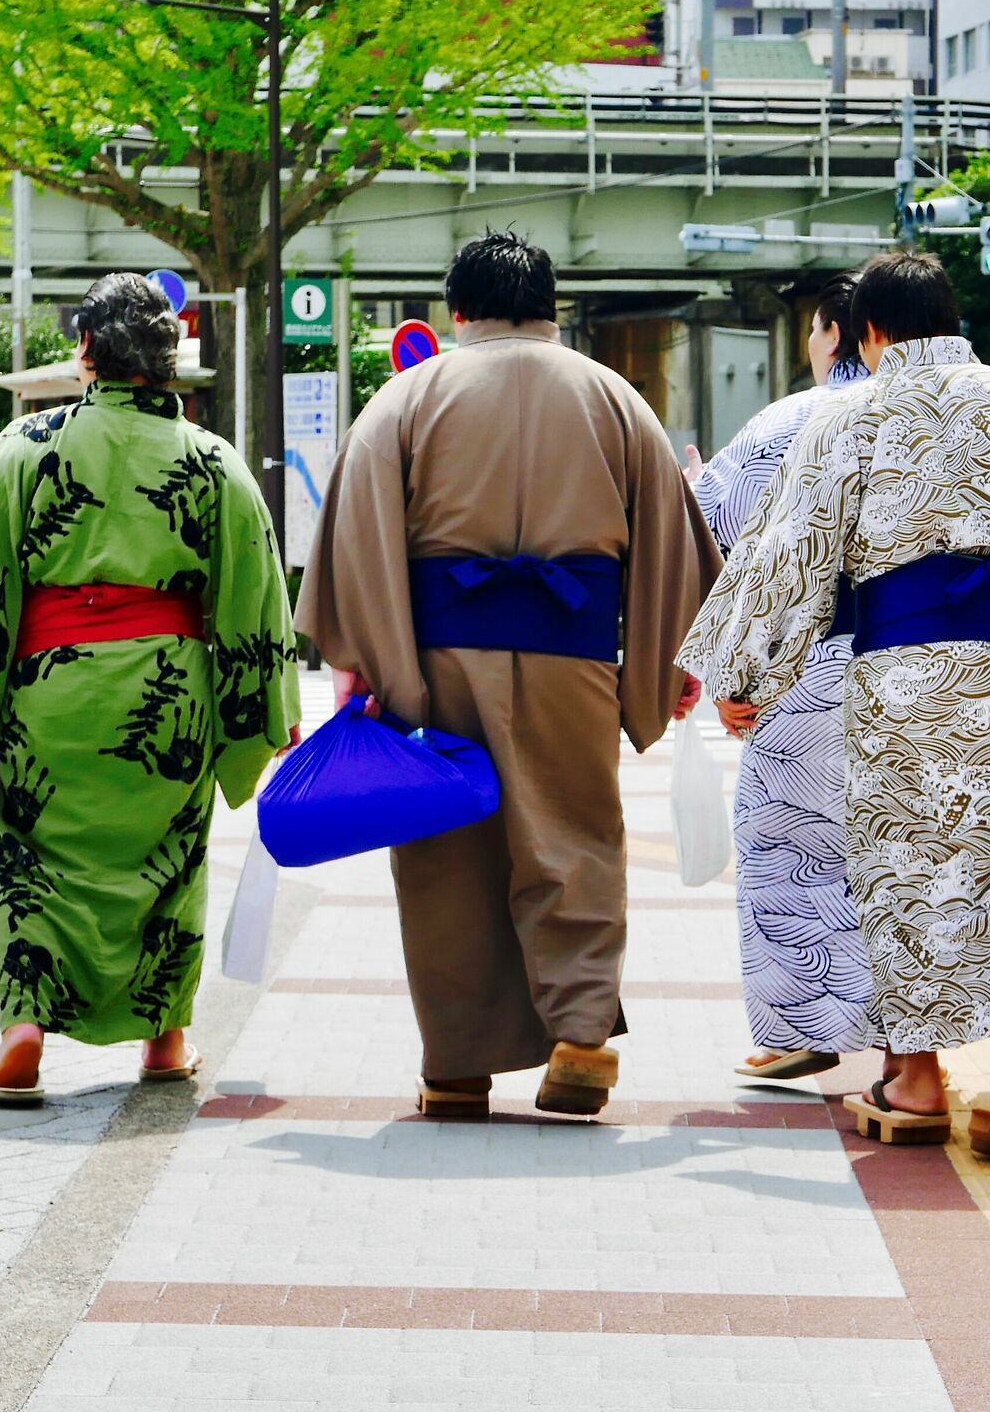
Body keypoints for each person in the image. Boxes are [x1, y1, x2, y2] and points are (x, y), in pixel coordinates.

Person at [679, 252, 990, 1163]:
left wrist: (744, 680)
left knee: (898, 869)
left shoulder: (848, 415)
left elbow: (792, 558)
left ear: (870, 335)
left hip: (896, 678)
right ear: (952, 315)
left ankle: (919, 1077)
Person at [295, 232, 722, 1119]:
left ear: (458, 311)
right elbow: (672, 548)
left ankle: (457, 1067)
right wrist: (667, 661)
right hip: (573, 657)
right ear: (551, 308)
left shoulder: (407, 398)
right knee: (574, 839)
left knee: (447, 853)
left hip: (441, 659)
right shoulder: (616, 399)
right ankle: (579, 1037)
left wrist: (365, 663)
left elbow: (357, 533)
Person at [0, 272, 298, 1103]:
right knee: (171, 860)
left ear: (86, 350)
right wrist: (267, 711)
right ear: (167, 361)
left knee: (27, 858)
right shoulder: (213, 464)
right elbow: (255, 599)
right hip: (170, 698)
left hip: (49, 693)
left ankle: (24, 1026)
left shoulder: (21, 450)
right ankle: (165, 1041)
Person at [687, 274, 877, 1081]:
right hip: (944, 663)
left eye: (811, 331)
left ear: (835, 333)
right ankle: (925, 1042)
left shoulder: (795, 420)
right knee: (906, 850)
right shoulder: (952, 413)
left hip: (818, 664)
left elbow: (721, 526)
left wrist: (695, 479)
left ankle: (805, 1024)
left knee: (789, 843)